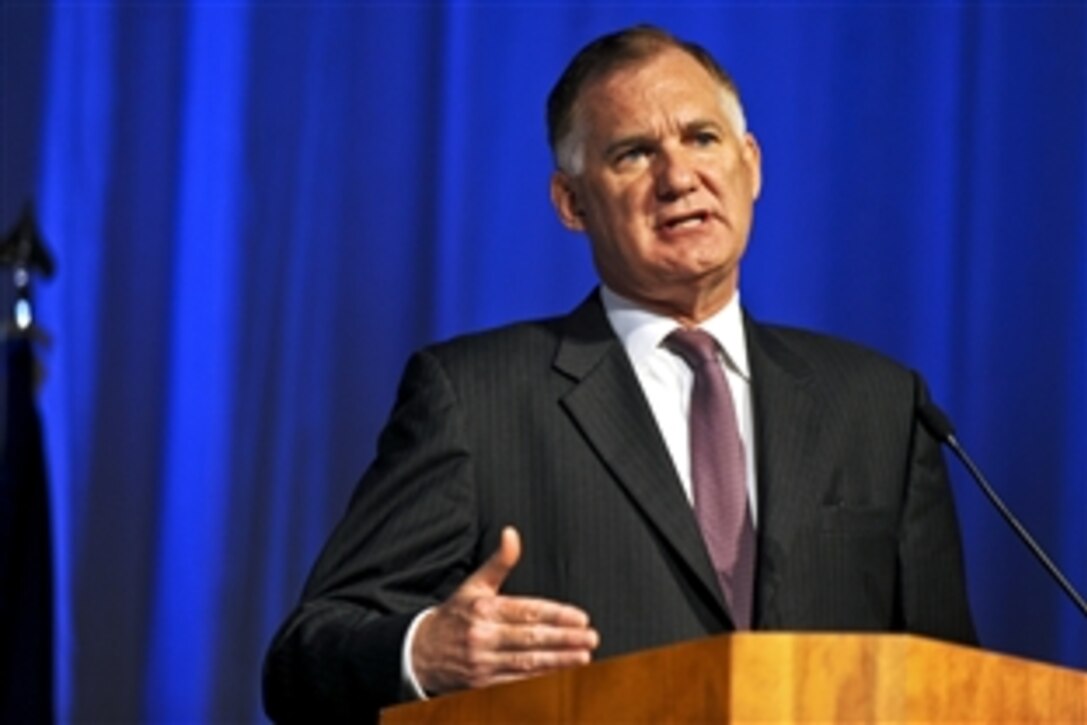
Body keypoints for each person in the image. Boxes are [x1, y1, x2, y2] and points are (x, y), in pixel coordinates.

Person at [262, 24, 976, 722]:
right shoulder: (475, 399)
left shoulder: (879, 403)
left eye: (703, 138)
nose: (678, 177)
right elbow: (301, 661)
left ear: (750, 164)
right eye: (634, 154)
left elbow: (955, 684)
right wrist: (425, 651)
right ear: (572, 203)